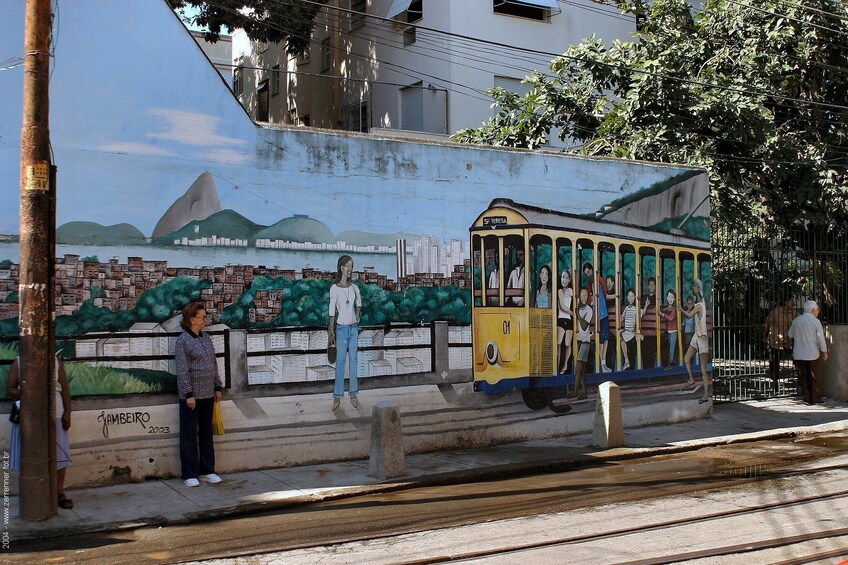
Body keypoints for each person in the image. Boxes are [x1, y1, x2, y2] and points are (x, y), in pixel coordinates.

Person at [7, 354, 74, 508]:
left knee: (60, 455)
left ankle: (59, 493)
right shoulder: (19, 361)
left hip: (56, 413)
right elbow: (10, 389)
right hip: (28, 416)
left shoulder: (56, 362)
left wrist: (68, 412)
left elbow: (64, 388)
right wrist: (30, 394)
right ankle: (32, 493)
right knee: (29, 455)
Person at [174, 302, 224, 488]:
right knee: (188, 434)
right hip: (192, 397)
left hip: (208, 394)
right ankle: (189, 473)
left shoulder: (206, 338)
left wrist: (217, 386)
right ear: (191, 319)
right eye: (202, 317)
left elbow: (213, 362)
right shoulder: (183, 341)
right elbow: (182, 370)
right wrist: (188, 394)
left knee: (206, 433)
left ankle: (207, 470)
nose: (205, 319)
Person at [328, 254, 362, 410]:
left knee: (354, 360)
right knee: (340, 361)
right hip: (341, 329)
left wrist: (358, 314)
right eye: (348, 265)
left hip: (354, 328)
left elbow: (359, 302)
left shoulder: (355, 287)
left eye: (352, 265)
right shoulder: (334, 288)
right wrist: (331, 329)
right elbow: (332, 310)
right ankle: (337, 396)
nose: (350, 269)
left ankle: (353, 393)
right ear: (341, 267)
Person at [787, 300, 828, 405]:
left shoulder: (796, 320)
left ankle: (807, 397)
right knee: (814, 377)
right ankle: (815, 398)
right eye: (817, 309)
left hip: (799, 353)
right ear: (813, 310)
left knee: (804, 376)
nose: (818, 311)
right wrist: (824, 352)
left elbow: (790, 334)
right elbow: (821, 339)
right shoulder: (815, 321)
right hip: (812, 353)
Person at [678, 279, 710, 403]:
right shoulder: (702, 302)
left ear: (698, 289)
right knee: (687, 358)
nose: (693, 288)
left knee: (703, 371)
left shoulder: (699, 306)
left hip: (702, 338)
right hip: (696, 336)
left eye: (695, 287)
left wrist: (680, 310)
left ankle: (706, 395)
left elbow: (689, 315)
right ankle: (691, 379)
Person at [583, 263, 612, 373]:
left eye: (588, 272)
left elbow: (604, 295)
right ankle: (601, 364)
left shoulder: (599, 282)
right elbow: (592, 301)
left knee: (605, 339)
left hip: (603, 313)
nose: (588, 275)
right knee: (601, 339)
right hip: (598, 316)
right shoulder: (591, 285)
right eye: (586, 274)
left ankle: (603, 363)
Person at [764, 297, 795, 392]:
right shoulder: (775, 312)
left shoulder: (794, 313)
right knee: (774, 363)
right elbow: (766, 324)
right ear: (786, 302)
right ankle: (775, 383)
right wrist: (765, 337)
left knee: (797, 359)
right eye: (791, 300)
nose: (794, 302)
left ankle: (800, 382)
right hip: (775, 341)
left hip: (788, 341)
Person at [573, 288, 593, 400]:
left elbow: (585, 326)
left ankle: (575, 391)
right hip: (579, 340)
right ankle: (584, 392)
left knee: (578, 367)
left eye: (585, 295)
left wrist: (578, 315)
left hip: (585, 341)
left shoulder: (589, 310)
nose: (583, 297)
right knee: (582, 370)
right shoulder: (579, 309)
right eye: (582, 295)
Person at [557, 270, 574, 374]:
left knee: (568, 344)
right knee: (558, 343)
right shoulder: (559, 291)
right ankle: (557, 364)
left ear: (569, 280)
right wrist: (572, 313)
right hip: (561, 319)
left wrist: (572, 314)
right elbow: (562, 307)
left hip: (569, 320)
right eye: (563, 277)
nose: (564, 280)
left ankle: (565, 365)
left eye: (567, 278)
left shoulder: (571, 291)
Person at [640, 277, 658, 369]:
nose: (651, 286)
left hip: (654, 329)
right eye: (650, 284)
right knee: (644, 351)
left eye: (653, 285)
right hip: (644, 329)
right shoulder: (644, 297)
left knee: (652, 351)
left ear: (655, 286)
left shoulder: (657, 298)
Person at [620, 288, 638, 370]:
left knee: (622, 340)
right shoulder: (626, 309)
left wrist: (646, 306)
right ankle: (626, 360)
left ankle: (627, 361)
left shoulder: (635, 309)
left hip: (631, 332)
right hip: (626, 331)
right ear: (627, 297)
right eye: (629, 296)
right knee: (622, 337)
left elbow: (642, 312)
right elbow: (621, 318)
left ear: (634, 297)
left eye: (632, 296)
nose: (630, 298)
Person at [661, 289, 679, 369]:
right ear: (666, 298)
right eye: (669, 297)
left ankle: (670, 364)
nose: (670, 299)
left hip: (674, 331)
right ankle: (672, 362)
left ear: (674, 299)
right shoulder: (667, 308)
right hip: (668, 331)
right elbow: (663, 310)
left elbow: (671, 318)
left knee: (672, 348)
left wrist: (662, 314)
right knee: (669, 347)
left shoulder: (674, 309)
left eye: (672, 297)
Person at [682, 295, 696, 366]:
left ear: (693, 304)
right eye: (688, 304)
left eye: (690, 304)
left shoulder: (694, 312)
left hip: (693, 332)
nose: (689, 305)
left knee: (692, 347)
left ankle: (691, 362)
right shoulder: (685, 312)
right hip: (687, 332)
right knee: (687, 347)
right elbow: (683, 323)